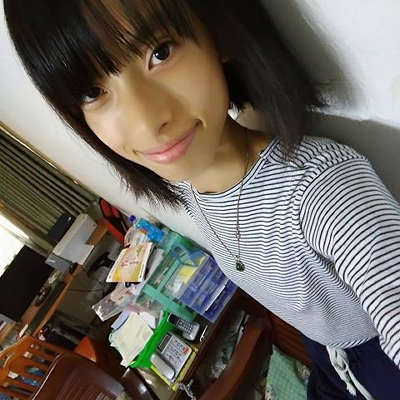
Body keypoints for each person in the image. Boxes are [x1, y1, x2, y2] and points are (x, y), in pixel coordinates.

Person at [4, 1, 400, 398]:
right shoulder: (189, 187)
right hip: (325, 352)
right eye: (93, 92)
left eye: (160, 52)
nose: (146, 124)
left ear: (217, 33)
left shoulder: (321, 190)